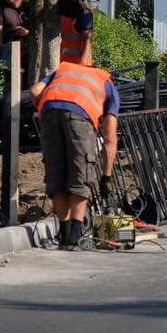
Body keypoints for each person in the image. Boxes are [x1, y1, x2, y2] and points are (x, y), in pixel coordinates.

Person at [28, 60, 119, 250]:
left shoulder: (64, 69)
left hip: (49, 111)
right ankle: (76, 234)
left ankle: (64, 232)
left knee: (56, 172)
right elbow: (110, 140)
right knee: (81, 170)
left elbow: (35, 91)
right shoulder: (108, 84)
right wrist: (106, 176)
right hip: (80, 115)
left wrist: (45, 111)